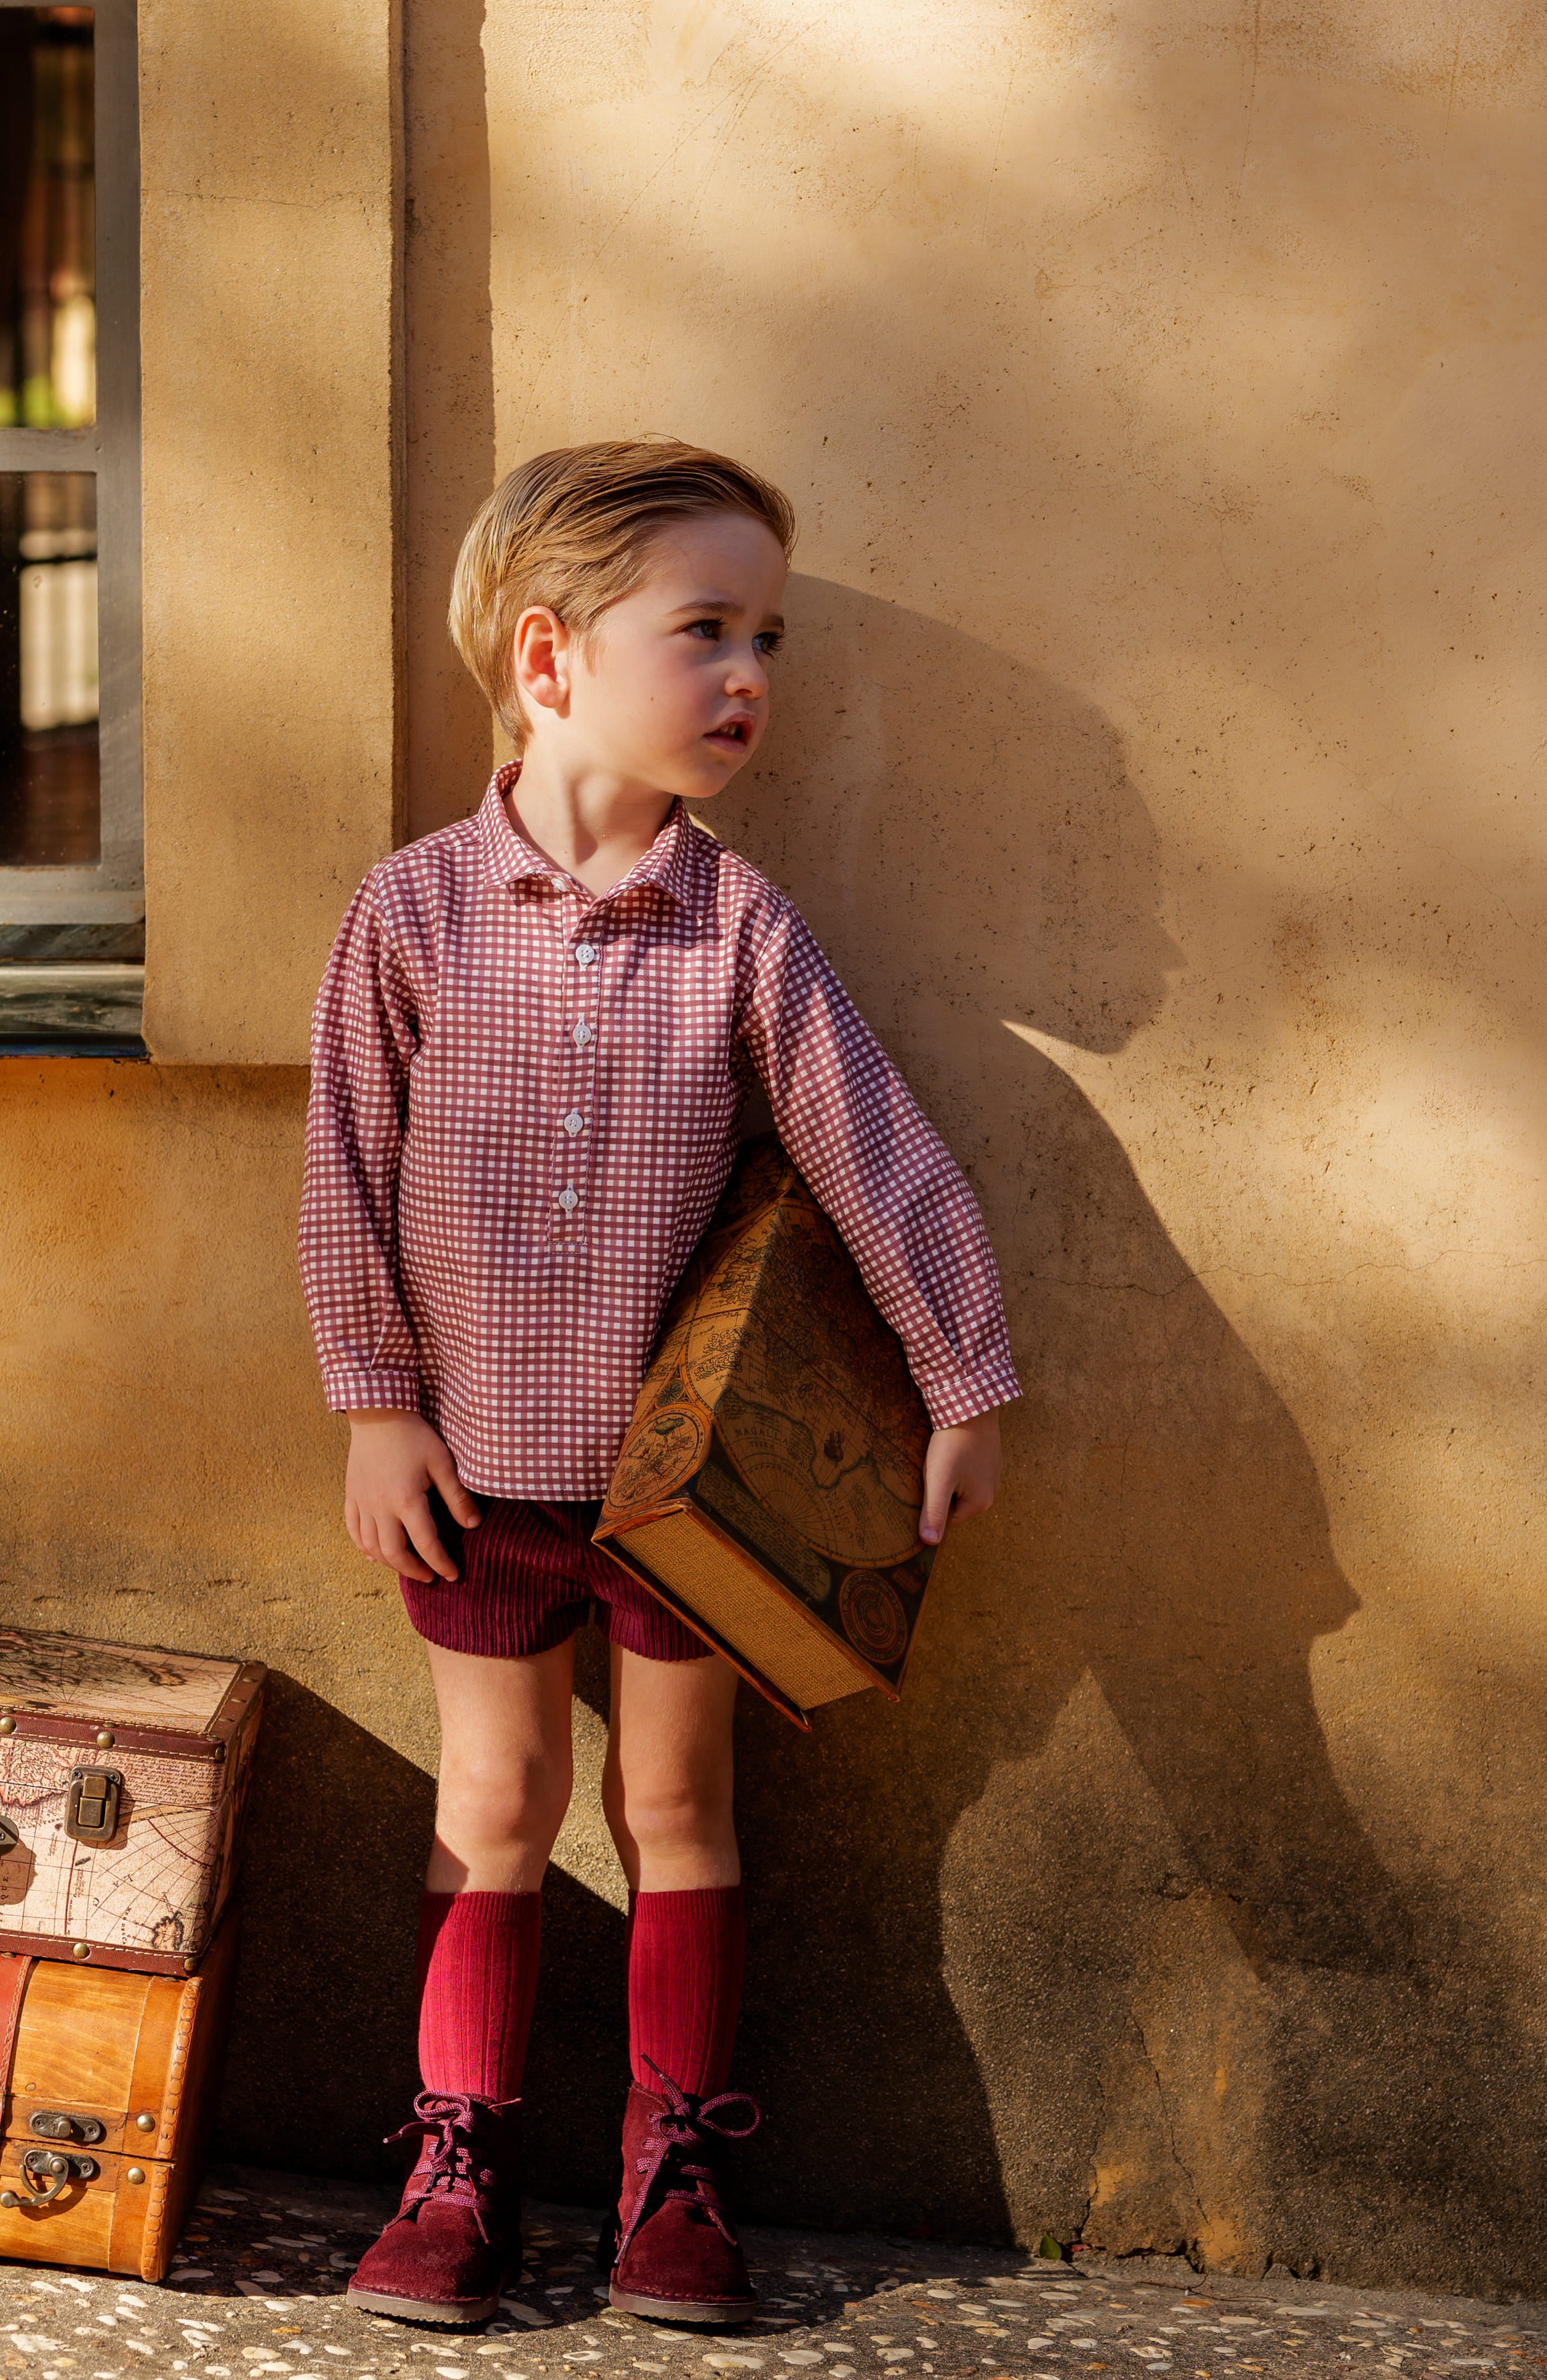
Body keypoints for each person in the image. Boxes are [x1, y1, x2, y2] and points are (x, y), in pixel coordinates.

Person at [298, 441, 1019, 2331]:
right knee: (498, 1795)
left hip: (684, 1502)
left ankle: (673, 2173)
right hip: (469, 1481)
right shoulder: (411, 916)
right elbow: (342, 1175)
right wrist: (375, 1403)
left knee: (679, 1810)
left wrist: (963, 1381)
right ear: (549, 660)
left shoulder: (742, 933)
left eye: (764, 634)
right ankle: (454, 2167)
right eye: (702, 629)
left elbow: (883, 1159)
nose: (749, 675)